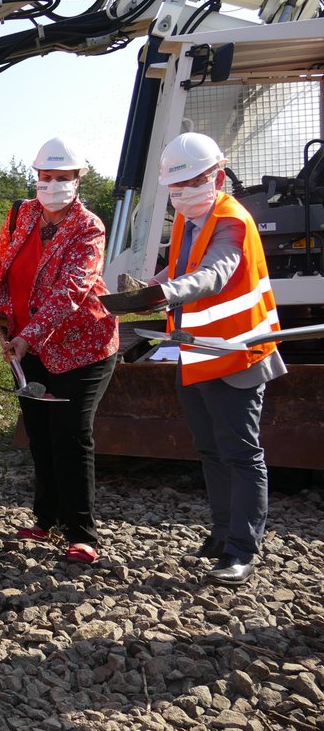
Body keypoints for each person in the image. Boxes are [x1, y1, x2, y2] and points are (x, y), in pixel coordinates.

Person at [150, 132, 284, 585]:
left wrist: (162, 293)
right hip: (199, 353)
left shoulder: (232, 219)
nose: (181, 194)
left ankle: (242, 549)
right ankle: (223, 533)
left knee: (242, 454)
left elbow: (215, 272)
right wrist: (145, 288)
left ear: (218, 177)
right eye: (175, 187)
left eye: (190, 183)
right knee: (210, 450)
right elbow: (180, 269)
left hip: (239, 356)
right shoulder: (191, 221)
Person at [0, 136, 119, 564]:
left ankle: (82, 533)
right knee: (39, 432)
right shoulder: (21, 214)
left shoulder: (88, 226)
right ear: (36, 177)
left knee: (71, 436)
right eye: (46, 176)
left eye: (63, 177)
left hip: (83, 347)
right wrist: (0, 309)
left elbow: (71, 291)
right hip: (29, 344)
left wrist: (29, 336)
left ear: (79, 179)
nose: (53, 184)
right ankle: (46, 519)